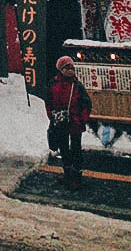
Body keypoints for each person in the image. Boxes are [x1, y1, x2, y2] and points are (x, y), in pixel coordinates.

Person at [46, 55, 92, 189]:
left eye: (71, 67)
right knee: (64, 149)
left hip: (75, 123)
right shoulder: (53, 84)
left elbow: (87, 104)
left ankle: (76, 178)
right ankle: (67, 175)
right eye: (67, 67)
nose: (70, 70)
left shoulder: (77, 86)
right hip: (60, 123)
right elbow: (48, 101)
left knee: (76, 150)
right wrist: (52, 116)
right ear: (60, 69)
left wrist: (82, 119)